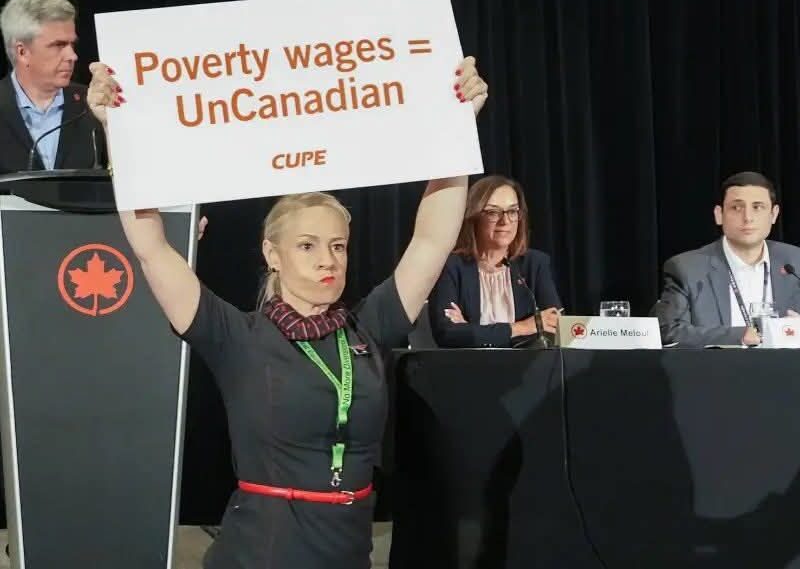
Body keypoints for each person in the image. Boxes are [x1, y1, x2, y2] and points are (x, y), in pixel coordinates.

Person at [87, 57, 487, 568]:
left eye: (339, 247)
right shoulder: (235, 336)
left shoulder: (369, 326)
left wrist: (458, 126)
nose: (328, 260)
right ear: (272, 254)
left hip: (349, 553)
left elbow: (432, 238)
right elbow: (152, 248)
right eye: (308, 246)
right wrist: (117, 127)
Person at [654, 171, 800, 348]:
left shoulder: (795, 263)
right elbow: (669, 331)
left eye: (758, 207)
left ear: (774, 214)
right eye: (737, 208)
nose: (747, 218)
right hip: (717, 372)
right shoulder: (687, 269)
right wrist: (739, 336)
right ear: (719, 214)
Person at [428, 174, 562, 348]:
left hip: (527, 370)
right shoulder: (451, 267)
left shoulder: (535, 264)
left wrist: (472, 330)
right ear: (474, 216)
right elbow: (448, 334)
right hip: (469, 369)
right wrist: (522, 328)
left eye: (512, 211)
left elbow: (554, 327)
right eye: (493, 212)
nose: (505, 221)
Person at [0, 0, 106, 173]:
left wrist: (108, 125)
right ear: (22, 52)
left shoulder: (94, 106)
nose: (72, 55)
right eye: (58, 45)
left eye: (72, 44)